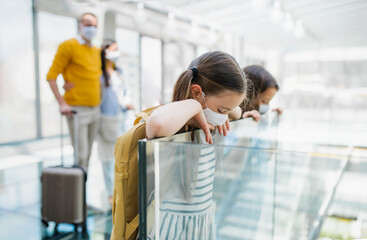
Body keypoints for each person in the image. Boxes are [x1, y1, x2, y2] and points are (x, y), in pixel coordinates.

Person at [145, 51, 247, 239]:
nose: (224, 116)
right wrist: (195, 107)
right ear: (197, 92)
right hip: (173, 228)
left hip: (201, 222)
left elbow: (238, 112)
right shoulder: (177, 123)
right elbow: (156, 124)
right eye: (222, 110)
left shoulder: (210, 119)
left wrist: (230, 112)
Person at [46, 12, 101, 172]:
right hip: (77, 110)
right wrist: (62, 103)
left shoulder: (95, 50)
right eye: (88, 24)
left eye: (95, 25)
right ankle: (77, 196)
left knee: (89, 155)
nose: (92, 28)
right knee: (81, 156)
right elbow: (51, 76)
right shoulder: (68, 46)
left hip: (95, 109)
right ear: (80, 25)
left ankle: (81, 193)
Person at [98, 39, 134, 204]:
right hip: (106, 119)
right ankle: (111, 193)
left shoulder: (119, 72)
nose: (117, 53)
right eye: (114, 49)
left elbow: (125, 92)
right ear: (105, 52)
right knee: (107, 156)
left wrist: (127, 102)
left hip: (122, 117)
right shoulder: (98, 74)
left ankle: (121, 189)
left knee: (122, 155)